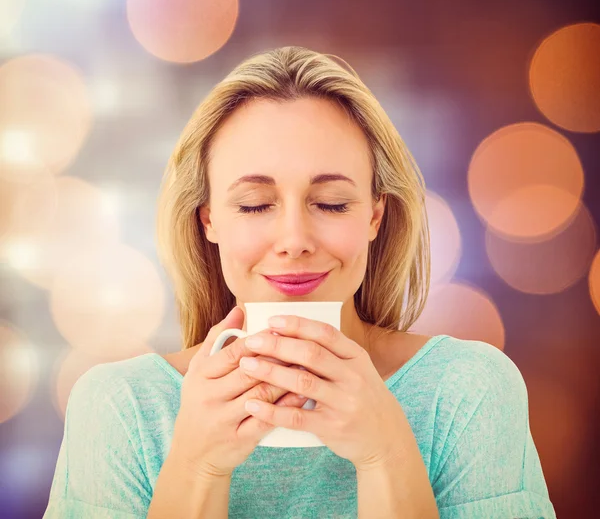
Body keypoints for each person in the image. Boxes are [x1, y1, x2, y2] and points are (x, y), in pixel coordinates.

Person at [42, 46, 556, 518]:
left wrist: (386, 455)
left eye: (332, 203)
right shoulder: (121, 407)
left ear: (375, 216)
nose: (294, 239)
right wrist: (197, 467)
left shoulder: (467, 390)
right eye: (254, 205)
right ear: (208, 220)